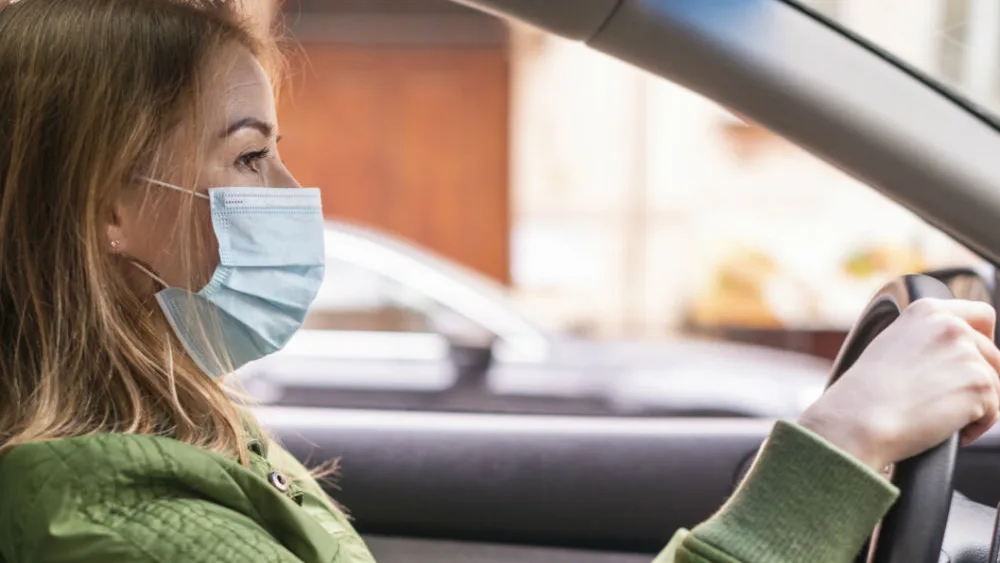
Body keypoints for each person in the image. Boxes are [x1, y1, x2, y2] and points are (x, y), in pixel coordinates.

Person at [1, 1, 998, 562]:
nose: (293, 194)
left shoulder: (182, 437)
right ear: (107, 204)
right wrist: (841, 443)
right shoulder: (122, 531)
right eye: (250, 157)